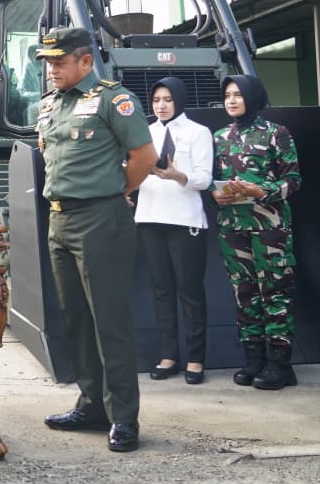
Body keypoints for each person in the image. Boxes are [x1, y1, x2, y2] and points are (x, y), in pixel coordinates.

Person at [34, 27, 155, 453]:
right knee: (76, 320)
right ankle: (91, 406)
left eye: (60, 61)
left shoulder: (113, 98)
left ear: (86, 61)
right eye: (48, 62)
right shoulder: (48, 105)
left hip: (101, 219)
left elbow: (144, 157)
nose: (52, 69)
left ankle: (123, 417)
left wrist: (115, 192)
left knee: (110, 322)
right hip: (59, 221)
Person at [211, 74, 301, 390]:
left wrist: (260, 190)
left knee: (274, 293)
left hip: (270, 229)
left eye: (238, 94)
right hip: (233, 228)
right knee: (244, 293)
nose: (232, 100)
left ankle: (281, 365)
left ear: (253, 96)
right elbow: (213, 181)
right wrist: (216, 193)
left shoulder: (277, 133)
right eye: (227, 95)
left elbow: (293, 181)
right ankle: (254, 360)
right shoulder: (219, 136)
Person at [134, 78, 213, 385]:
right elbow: (137, 173)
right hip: (151, 218)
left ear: (178, 100)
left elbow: (205, 179)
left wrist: (179, 176)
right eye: (156, 100)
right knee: (161, 290)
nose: (161, 105)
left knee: (190, 292)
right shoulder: (146, 133)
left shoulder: (197, 132)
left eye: (167, 99)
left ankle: (195, 358)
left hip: (185, 220)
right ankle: (169, 355)